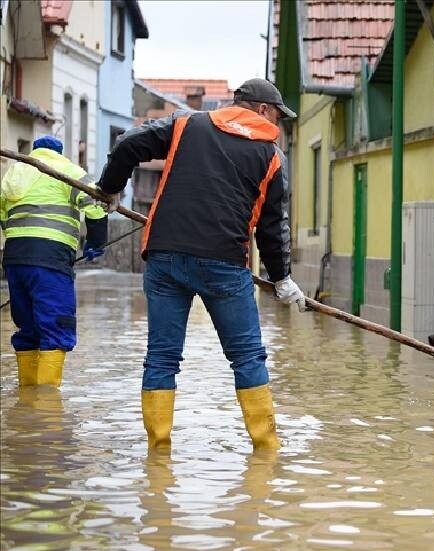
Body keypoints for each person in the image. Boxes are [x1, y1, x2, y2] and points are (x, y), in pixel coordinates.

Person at [96, 78, 306, 451]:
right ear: (261, 109)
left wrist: (110, 189)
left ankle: (157, 455)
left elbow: (127, 144)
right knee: (246, 357)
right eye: (277, 115)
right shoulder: (272, 156)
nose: (279, 124)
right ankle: (267, 452)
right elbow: (272, 226)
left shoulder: (185, 123)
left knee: (161, 357)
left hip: (165, 256)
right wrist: (282, 278)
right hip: (224, 264)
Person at [0, 136, 107, 387]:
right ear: (59, 153)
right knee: (57, 325)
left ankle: (26, 400)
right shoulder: (68, 171)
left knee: (28, 329)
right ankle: (46, 408)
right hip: (50, 258)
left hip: (15, 258)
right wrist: (95, 242)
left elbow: (3, 216)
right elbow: (95, 204)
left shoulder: (13, 174)